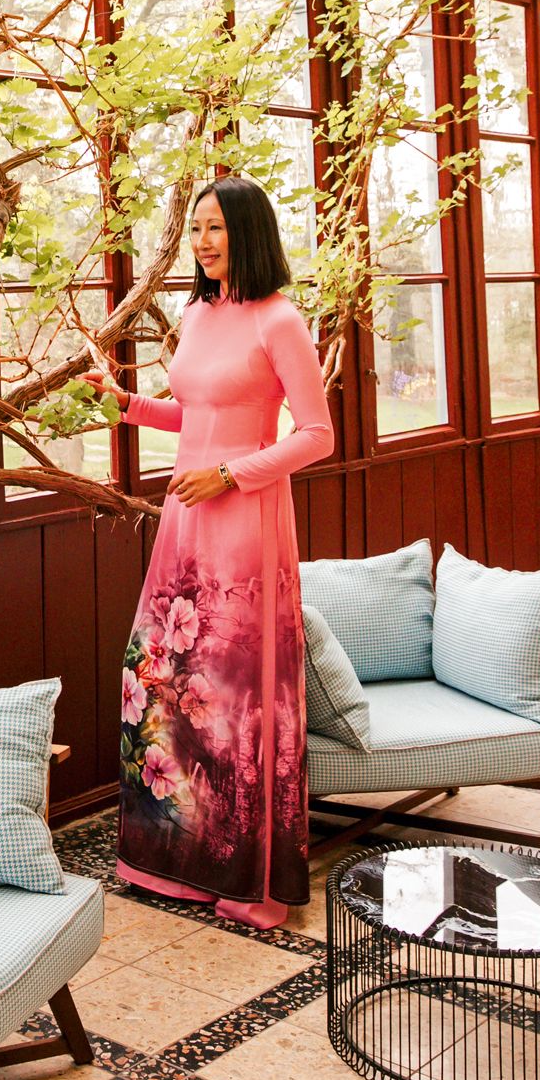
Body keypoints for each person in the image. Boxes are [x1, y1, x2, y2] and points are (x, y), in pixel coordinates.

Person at [84, 175, 333, 930]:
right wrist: (123, 404)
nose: (201, 241)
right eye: (195, 227)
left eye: (216, 227)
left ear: (249, 233)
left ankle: (245, 876)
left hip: (244, 528)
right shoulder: (195, 313)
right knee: (158, 684)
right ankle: (173, 860)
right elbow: (193, 412)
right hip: (183, 522)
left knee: (232, 703)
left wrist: (229, 473)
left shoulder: (279, 319)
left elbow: (316, 435)